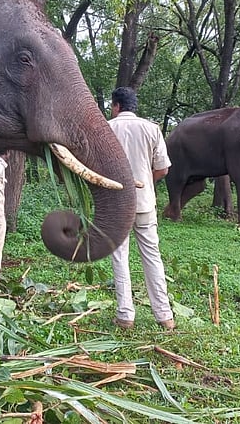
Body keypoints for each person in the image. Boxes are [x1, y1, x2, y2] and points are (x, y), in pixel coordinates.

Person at [107, 87, 175, 331]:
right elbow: (163, 169)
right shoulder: (151, 129)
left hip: (116, 203)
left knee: (119, 257)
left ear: (116, 106)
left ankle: (125, 316)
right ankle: (165, 316)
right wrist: (146, 182)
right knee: (152, 257)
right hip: (145, 202)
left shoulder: (107, 129)